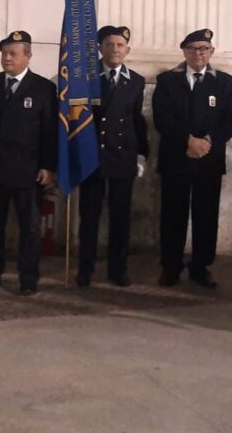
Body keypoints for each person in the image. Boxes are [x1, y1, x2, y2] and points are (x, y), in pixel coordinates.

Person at [0, 31, 57, 296]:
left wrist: (49, 166)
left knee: (29, 228)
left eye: (13, 53)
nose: (7, 58)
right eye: (4, 52)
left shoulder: (43, 88)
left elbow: (50, 132)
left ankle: (28, 278)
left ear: (27, 56)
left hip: (27, 173)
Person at [152, 29, 232, 289]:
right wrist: (188, 141)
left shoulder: (224, 82)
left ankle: (201, 267)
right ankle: (171, 267)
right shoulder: (168, 81)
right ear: (184, 52)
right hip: (177, 158)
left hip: (209, 159)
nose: (198, 53)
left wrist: (208, 141)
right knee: (172, 215)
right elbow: (162, 118)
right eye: (192, 48)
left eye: (203, 48)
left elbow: (230, 119)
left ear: (211, 52)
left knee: (206, 215)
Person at [76, 25, 148, 288]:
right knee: (89, 217)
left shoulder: (136, 81)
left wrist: (141, 154)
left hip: (122, 157)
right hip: (92, 156)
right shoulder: (85, 77)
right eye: (109, 45)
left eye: (120, 45)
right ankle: (85, 269)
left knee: (120, 217)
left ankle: (118, 270)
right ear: (100, 48)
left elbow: (136, 120)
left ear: (127, 50)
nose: (115, 49)